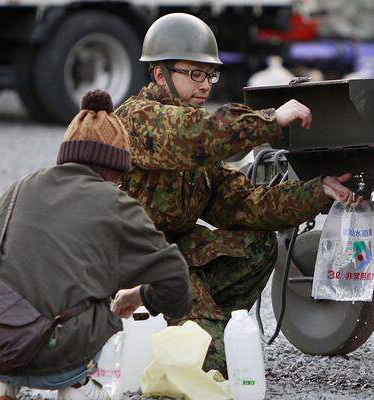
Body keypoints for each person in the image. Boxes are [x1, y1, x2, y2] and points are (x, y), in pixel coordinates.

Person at [113, 13, 356, 376]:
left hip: (166, 261)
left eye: (209, 74)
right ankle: (152, 329)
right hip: (122, 264)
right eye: (193, 73)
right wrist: (269, 120)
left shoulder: (197, 142)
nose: (205, 84)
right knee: (211, 364)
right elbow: (194, 135)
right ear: (160, 74)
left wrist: (317, 192)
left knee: (259, 245)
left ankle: (189, 321)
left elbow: (243, 204)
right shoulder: (139, 119)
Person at [0, 90, 192, 400]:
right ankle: (77, 388)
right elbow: (174, 273)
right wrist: (146, 297)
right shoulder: (116, 203)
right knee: (104, 307)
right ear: (116, 168)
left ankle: (3, 384)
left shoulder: (21, 186)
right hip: (56, 353)